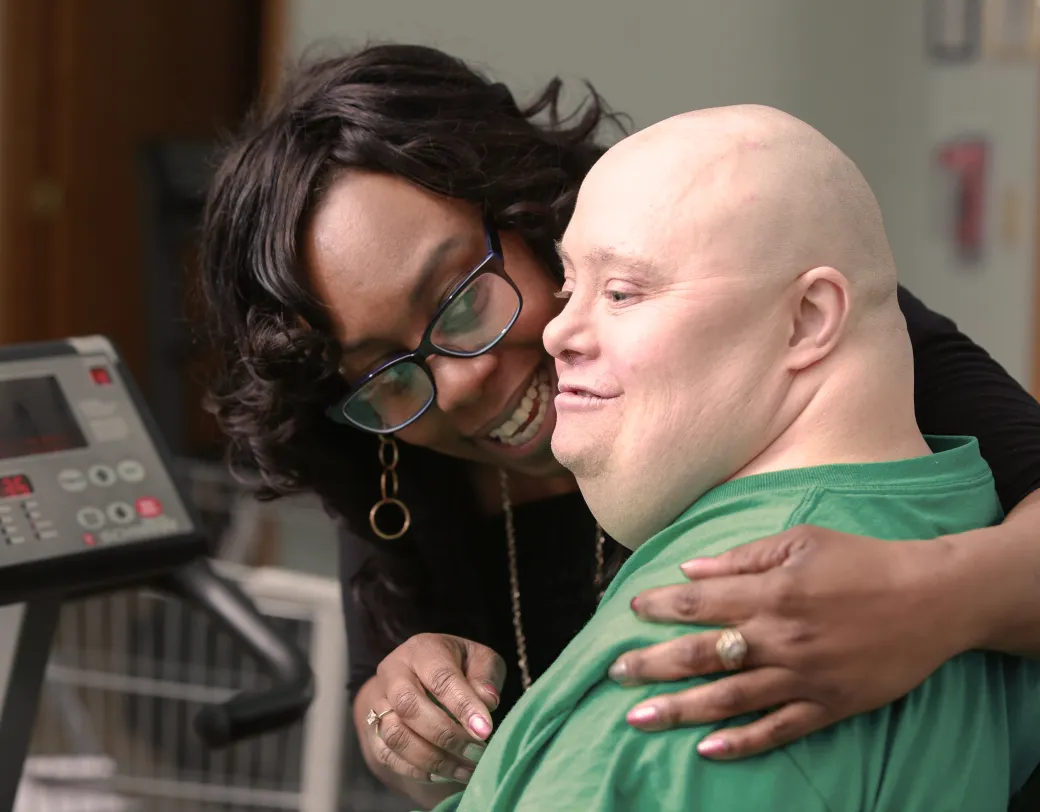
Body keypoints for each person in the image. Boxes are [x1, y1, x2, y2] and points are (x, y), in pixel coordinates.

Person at [198, 44, 1040, 809]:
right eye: (384, 373)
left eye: (461, 301)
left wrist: (926, 601)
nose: (460, 383)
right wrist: (405, 731)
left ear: (524, 211)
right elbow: (392, 708)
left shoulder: (772, 308)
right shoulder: (394, 460)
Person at [432, 105, 1040, 812]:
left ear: (809, 319)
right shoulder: (945, 507)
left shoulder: (720, 652)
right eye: (569, 287)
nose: (560, 329)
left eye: (623, 291)